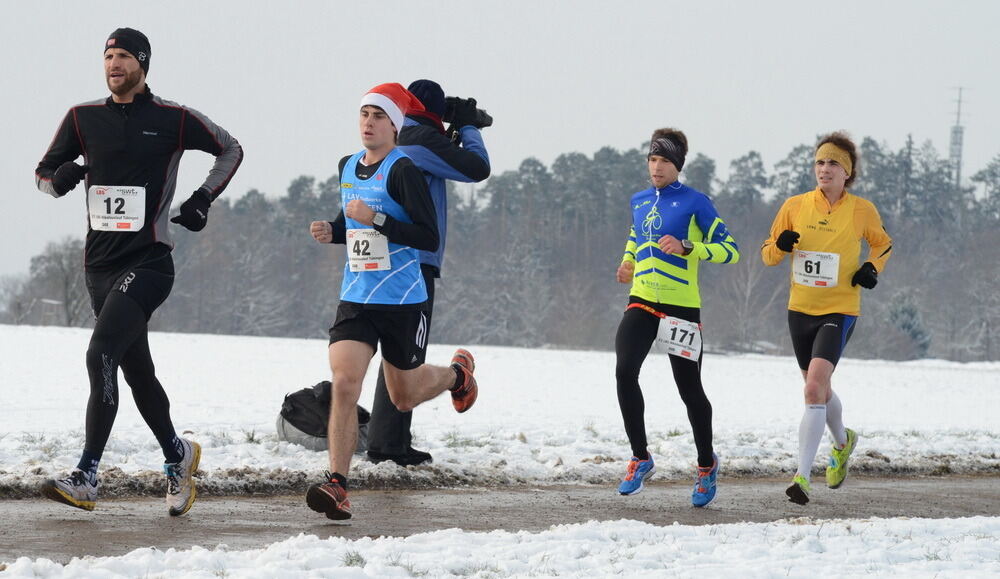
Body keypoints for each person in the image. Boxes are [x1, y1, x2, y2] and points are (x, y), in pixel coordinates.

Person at [34, 28, 243, 515]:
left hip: (149, 261)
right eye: (108, 56)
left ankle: (87, 474)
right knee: (137, 372)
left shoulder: (173, 118)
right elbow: (42, 174)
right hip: (98, 268)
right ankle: (177, 454)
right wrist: (58, 181)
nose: (114, 64)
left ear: (143, 64)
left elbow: (230, 148)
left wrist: (202, 198)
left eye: (124, 56)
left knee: (100, 353)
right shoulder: (82, 118)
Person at [306, 83, 479, 520]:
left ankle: (457, 376)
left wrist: (376, 219)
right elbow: (354, 225)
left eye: (378, 116)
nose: (368, 122)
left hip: (403, 298)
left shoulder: (403, 169)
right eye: (364, 114)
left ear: (394, 125)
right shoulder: (347, 167)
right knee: (345, 383)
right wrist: (334, 230)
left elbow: (427, 236)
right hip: (358, 295)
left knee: (403, 397)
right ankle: (338, 484)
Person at [761, 132, 892, 505]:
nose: (824, 169)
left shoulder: (862, 210)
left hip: (839, 309)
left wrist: (871, 266)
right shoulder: (795, 206)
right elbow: (767, 255)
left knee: (813, 388)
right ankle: (842, 441)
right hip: (799, 309)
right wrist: (781, 245)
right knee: (818, 389)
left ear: (846, 172)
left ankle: (802, 477)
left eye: (833, 163)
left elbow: (883, 243)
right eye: (819, 162)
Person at [365, 79, 490, 467]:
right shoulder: (421, 139)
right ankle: (391, 444)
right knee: (406, 353)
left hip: (378, 256)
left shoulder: (399, 136)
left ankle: (388, 441)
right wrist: (468, 127)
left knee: (393, 351)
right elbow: (477, 168)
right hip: (413, 259)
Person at [614, 128, 740, 507]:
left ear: (677, 165)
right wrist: (628, 260)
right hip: (642, 301)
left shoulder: (696, 202)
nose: (656, 166)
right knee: (624, 371)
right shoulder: (638, 200)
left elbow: (730, 250)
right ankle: (640, 457)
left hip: (681, 307)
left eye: (664, 160)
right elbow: (637, 236)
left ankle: (706, 464)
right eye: (652, 159)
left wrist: (689, 246)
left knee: (689, 389)